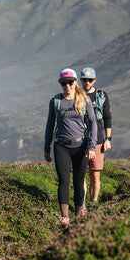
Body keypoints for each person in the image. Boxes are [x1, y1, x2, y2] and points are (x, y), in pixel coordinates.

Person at [44, 68, 97, 226]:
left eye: (70, 82)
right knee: (63, 181)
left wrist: (92, 147)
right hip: (61, 146)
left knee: (79, 181)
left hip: (81, 146)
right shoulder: (56, 101)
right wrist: (46, 148)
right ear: (60, 84)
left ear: (75, 82)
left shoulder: (84, 99)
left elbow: (93, 124)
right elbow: (49, 126)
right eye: (63, 83)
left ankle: (77, 214)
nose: (67, 86)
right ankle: (65, 216)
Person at [80, 67, 112, 203]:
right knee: (81, 175)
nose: (87, 82)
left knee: (95, 174)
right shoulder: (76, 95)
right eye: (84, 80)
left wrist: (108, 139)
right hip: (80, 140)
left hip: (98, 139)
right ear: (80, 80)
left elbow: (107, 117)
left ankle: (93, 202)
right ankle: (82, 205)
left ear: (94, 80)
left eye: (90, 80)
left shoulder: (102, 96)